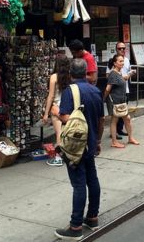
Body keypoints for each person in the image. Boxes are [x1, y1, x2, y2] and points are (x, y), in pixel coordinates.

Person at [54, 59, 104, 241]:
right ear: (86, 73)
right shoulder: (95, 90)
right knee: (93, 179)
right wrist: (98, 140)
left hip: (76, 147)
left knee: (79, 184)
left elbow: (66, 117)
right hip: (90, 143)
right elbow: (101, 120)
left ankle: (75, 226)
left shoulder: (70, 91)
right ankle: (92, 217)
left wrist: (55, 112)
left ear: (70, 74)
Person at [104, 54, 139, 148]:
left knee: (127, 119)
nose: (122, 63)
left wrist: (130, 74)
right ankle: (114, 142)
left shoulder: (118, 73)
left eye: (122, 61)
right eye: (120, 61)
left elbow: (122, 79)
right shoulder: (113, 73)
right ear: (115, 63)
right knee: (114, 120)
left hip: (121, 101)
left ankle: (130, 138)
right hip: (115, 101)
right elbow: (108, 88)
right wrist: (103, 99)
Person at [42, 55, 71, 167]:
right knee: (67, 132)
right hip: (69, 107)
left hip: (57, 108)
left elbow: (50, 96)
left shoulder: (54, 77)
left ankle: (58, 158)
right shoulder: (70, 76)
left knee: (59, 133)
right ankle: (67, 153)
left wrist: (45, 113)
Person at [105, 42, 134, 139]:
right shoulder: (112, 64)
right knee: (115, 117)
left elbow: (125, 74)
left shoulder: (127, 60)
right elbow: (109, 82)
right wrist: (104, 98)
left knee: (123, 116)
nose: (122, 50)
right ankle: (114, 135)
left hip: (124, 91)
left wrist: (129, 75)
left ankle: (121, 131)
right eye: (120, 48)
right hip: (116, 95)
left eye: (123, 48)